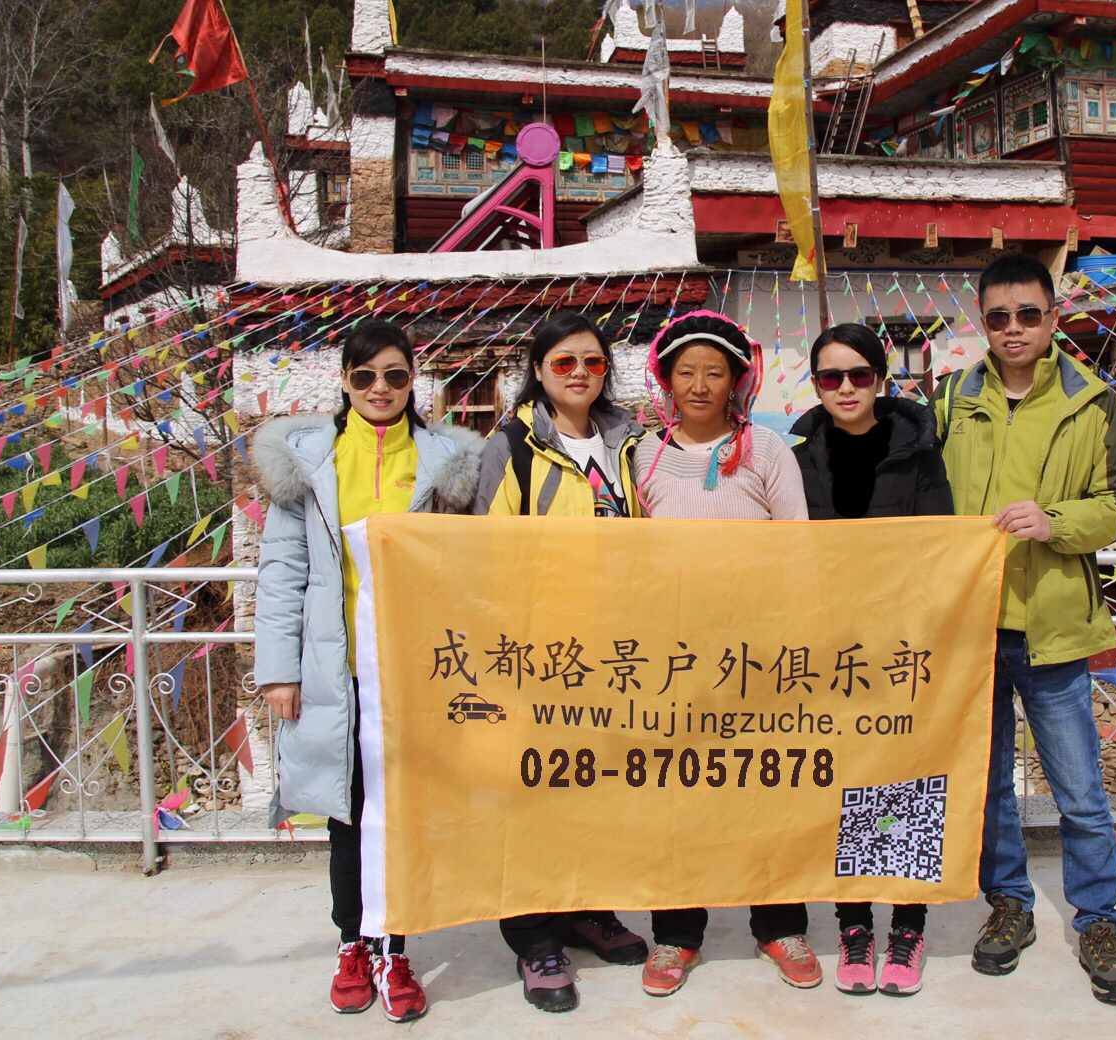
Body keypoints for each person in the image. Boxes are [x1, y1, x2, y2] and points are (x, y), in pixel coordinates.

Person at [253, 320, 484, 1023]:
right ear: (344, 383)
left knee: (404, 815)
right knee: (348, 815)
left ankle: (396, 947)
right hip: (337, 671)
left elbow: (465, 569)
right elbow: (282, 571)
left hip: (414, 673)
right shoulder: (308, 461)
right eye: (365, 376)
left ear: (414, 380)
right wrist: (279, 672)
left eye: (395, 375)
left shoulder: (445, 460)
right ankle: (352, 943)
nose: (380, 389)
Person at [934, 251, 1116, 1006]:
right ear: (982, 322)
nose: (1014, 328)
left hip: (1052, 623)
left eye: (1029, 313)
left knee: (1080, 789)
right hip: (973, 626)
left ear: (1053, 318)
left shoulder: (1092, 402)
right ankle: (1011, 906)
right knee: (991, 785)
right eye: (999, 316)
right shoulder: (951, 399)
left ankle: (1098, 921)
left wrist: (1055, 522)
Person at [629, 309, 818, 996]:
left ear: (736, 380)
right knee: (677, 796)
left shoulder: (766, 450)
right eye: (687, 372)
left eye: (714, 372)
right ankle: (676, 935)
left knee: (769, 786)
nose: (700, 385)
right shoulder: (643, 455)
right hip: (673, 656)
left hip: (755, 650)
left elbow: (797, 543)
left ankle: (780, 925)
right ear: (667, 381)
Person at [470, 312, 651, 1011]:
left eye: (593, 362)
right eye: (564, 362)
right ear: (539, 370)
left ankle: (586, 908)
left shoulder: (627, 441)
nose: (580, 373)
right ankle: (534, 937)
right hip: (537, 649)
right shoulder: (512, 447)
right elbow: (488, 554)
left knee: (593, 787)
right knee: (530, 792)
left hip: (614, 649)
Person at [789, 323, 954, 998]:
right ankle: (853, 924)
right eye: (831, 377)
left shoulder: (919, 453)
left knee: (906, 781)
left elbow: (941, 547)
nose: (847, 388)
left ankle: (907, 927)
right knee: (844, 784)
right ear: (816, 385)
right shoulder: (799, 457)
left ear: (881, 380)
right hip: (831, 649)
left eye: (859, 375)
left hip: (904, 645)